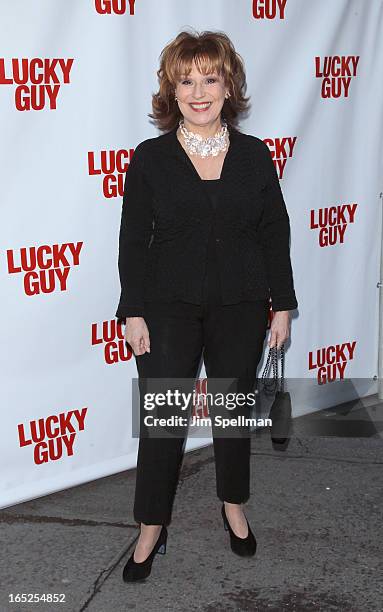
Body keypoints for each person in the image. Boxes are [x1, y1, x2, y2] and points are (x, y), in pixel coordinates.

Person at [115, 29, 298, 582]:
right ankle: (151, 525)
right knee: (164, 419)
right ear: (171, 90)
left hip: (241, 305)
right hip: (167, 306)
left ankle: (233, 506)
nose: (198, 91)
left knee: (233, 415)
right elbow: (132, 240)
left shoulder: (255, 156)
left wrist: (283, 306)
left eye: (209, 78)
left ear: (228, 85)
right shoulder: (150, 159)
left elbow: (275, 234)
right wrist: (133, 310)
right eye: (185, 80)